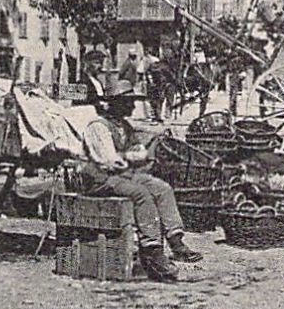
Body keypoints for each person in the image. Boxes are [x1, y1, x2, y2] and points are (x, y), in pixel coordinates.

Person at [78, 80, 204, 282]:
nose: (133, 106)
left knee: (162, 188)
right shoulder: (98, 127)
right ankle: (152, 250)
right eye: (129, 102)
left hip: (120, 175)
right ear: (116, 103)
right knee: (141, 194)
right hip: (99, 179)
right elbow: (110, 161)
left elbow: (138, 152)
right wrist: (131, 156)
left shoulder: (124, 126)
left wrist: (133, 155)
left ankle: (176, 240)